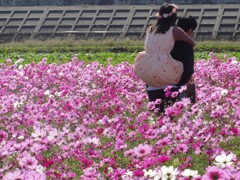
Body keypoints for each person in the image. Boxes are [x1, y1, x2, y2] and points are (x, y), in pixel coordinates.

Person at [133, 3, 195, 113]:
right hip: (165, 69)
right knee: (172, 116)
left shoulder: (150, 29)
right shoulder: (175, 31)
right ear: (174, 18)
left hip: (148, 67)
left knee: (157, 115)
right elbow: (191, 42)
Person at [171, 16, 197, 104]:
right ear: (190, 30)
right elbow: (189, 69)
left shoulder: (167, 42)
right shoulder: (186, 45)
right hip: (176, 85)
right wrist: (180, 83)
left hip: (157, 82)